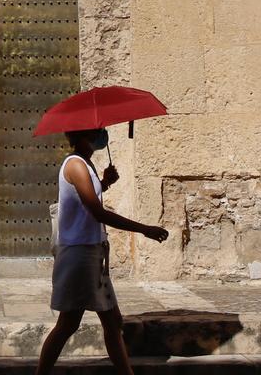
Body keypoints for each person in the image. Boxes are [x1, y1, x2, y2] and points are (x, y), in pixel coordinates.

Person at [35, 127, 169, 375]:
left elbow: (82, 199)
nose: (103, 135)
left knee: (112, 322)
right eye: (98, 131)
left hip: (92, 254)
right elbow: (97, 212)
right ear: (84, 136)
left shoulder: (86, 164)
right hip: (79, 255)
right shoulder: (75, 165)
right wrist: (143, 229)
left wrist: (104, 183)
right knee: (68, 324)